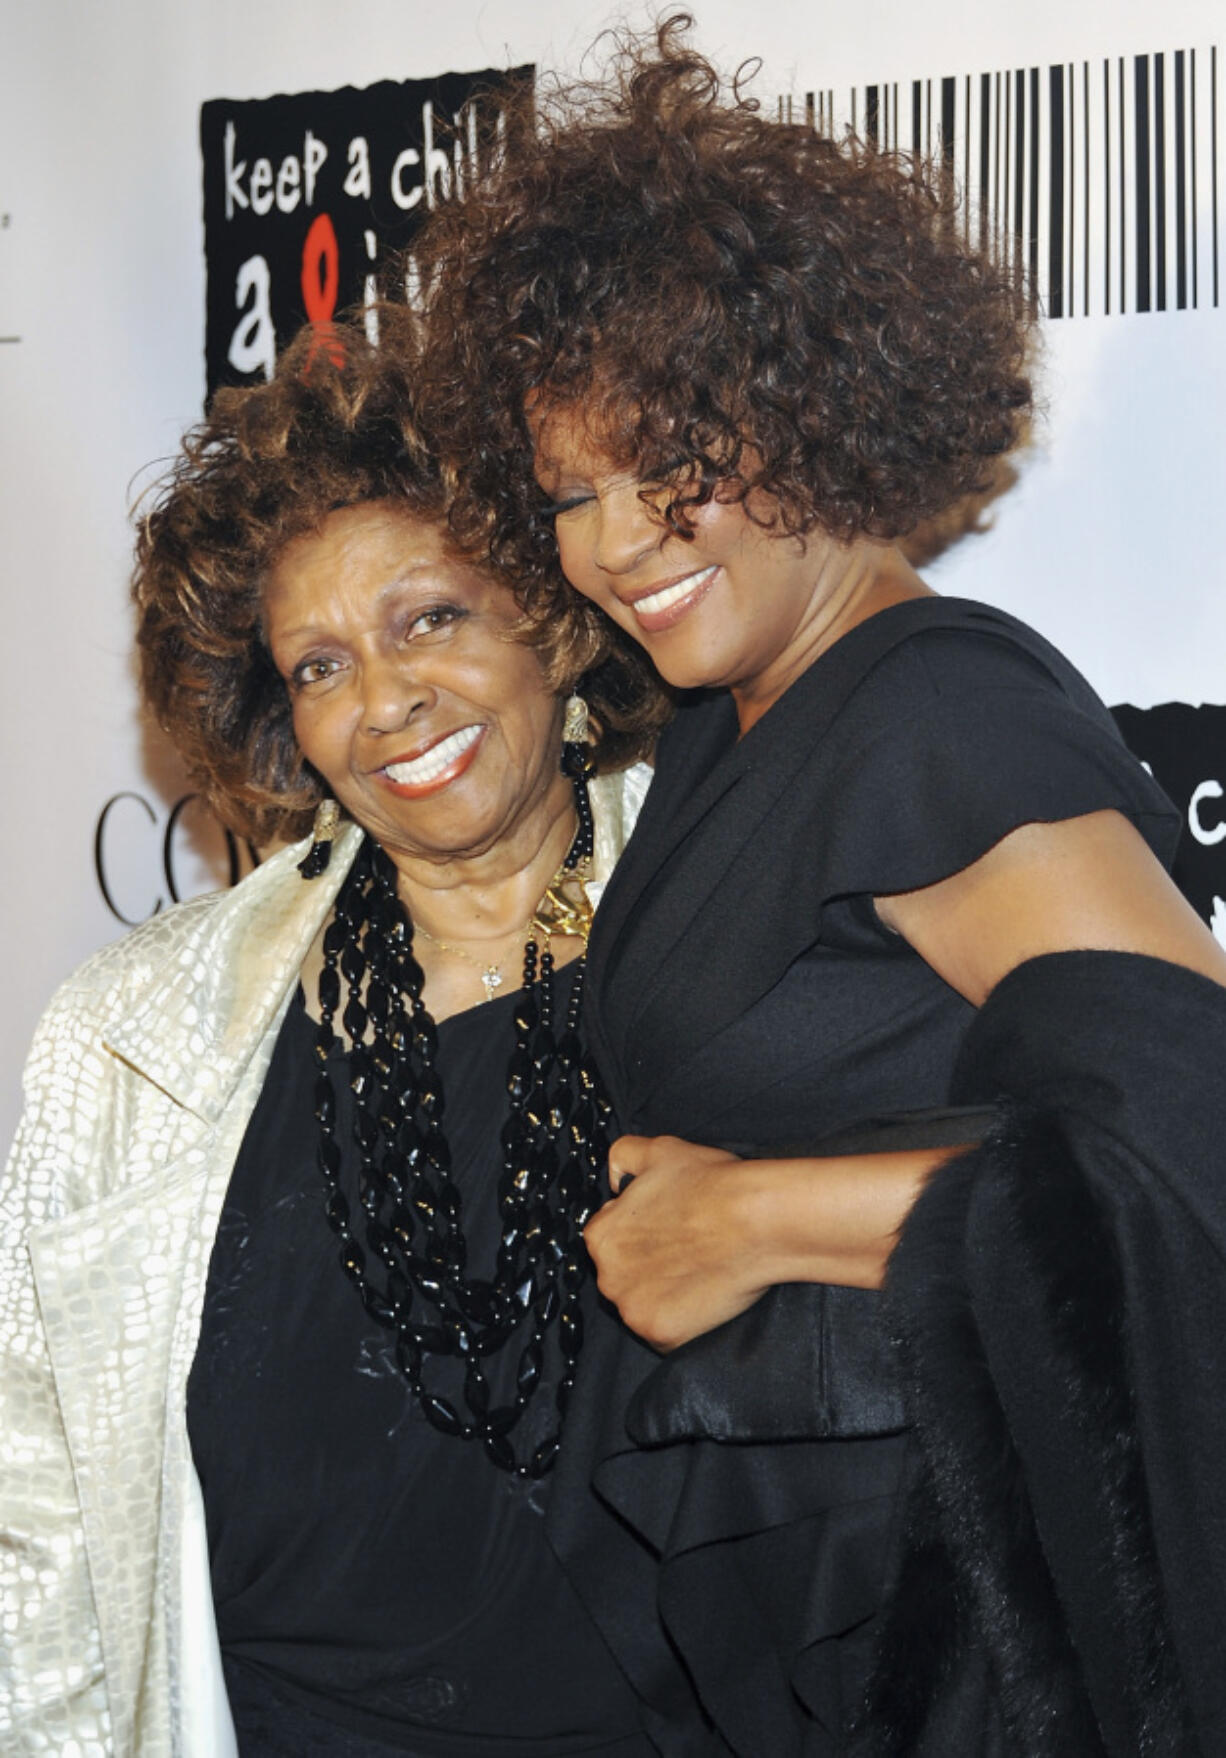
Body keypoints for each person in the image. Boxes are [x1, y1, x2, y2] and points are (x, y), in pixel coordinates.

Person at [415, 20, 1226, 1755]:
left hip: (980, 1623)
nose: (620, 539)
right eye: (573, 491)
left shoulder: (931, 711)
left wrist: (753, 1217)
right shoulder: (733, 715)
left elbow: (1197, 1142)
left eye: (676, 461)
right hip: (830, 1611)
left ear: (816, 407)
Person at [0, 317, 670, 1757]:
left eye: (430, 616)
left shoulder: (729, 926)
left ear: (551, 618)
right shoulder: (134, 1042)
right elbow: (35, 1523)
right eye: (317, 665)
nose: (384, 701)